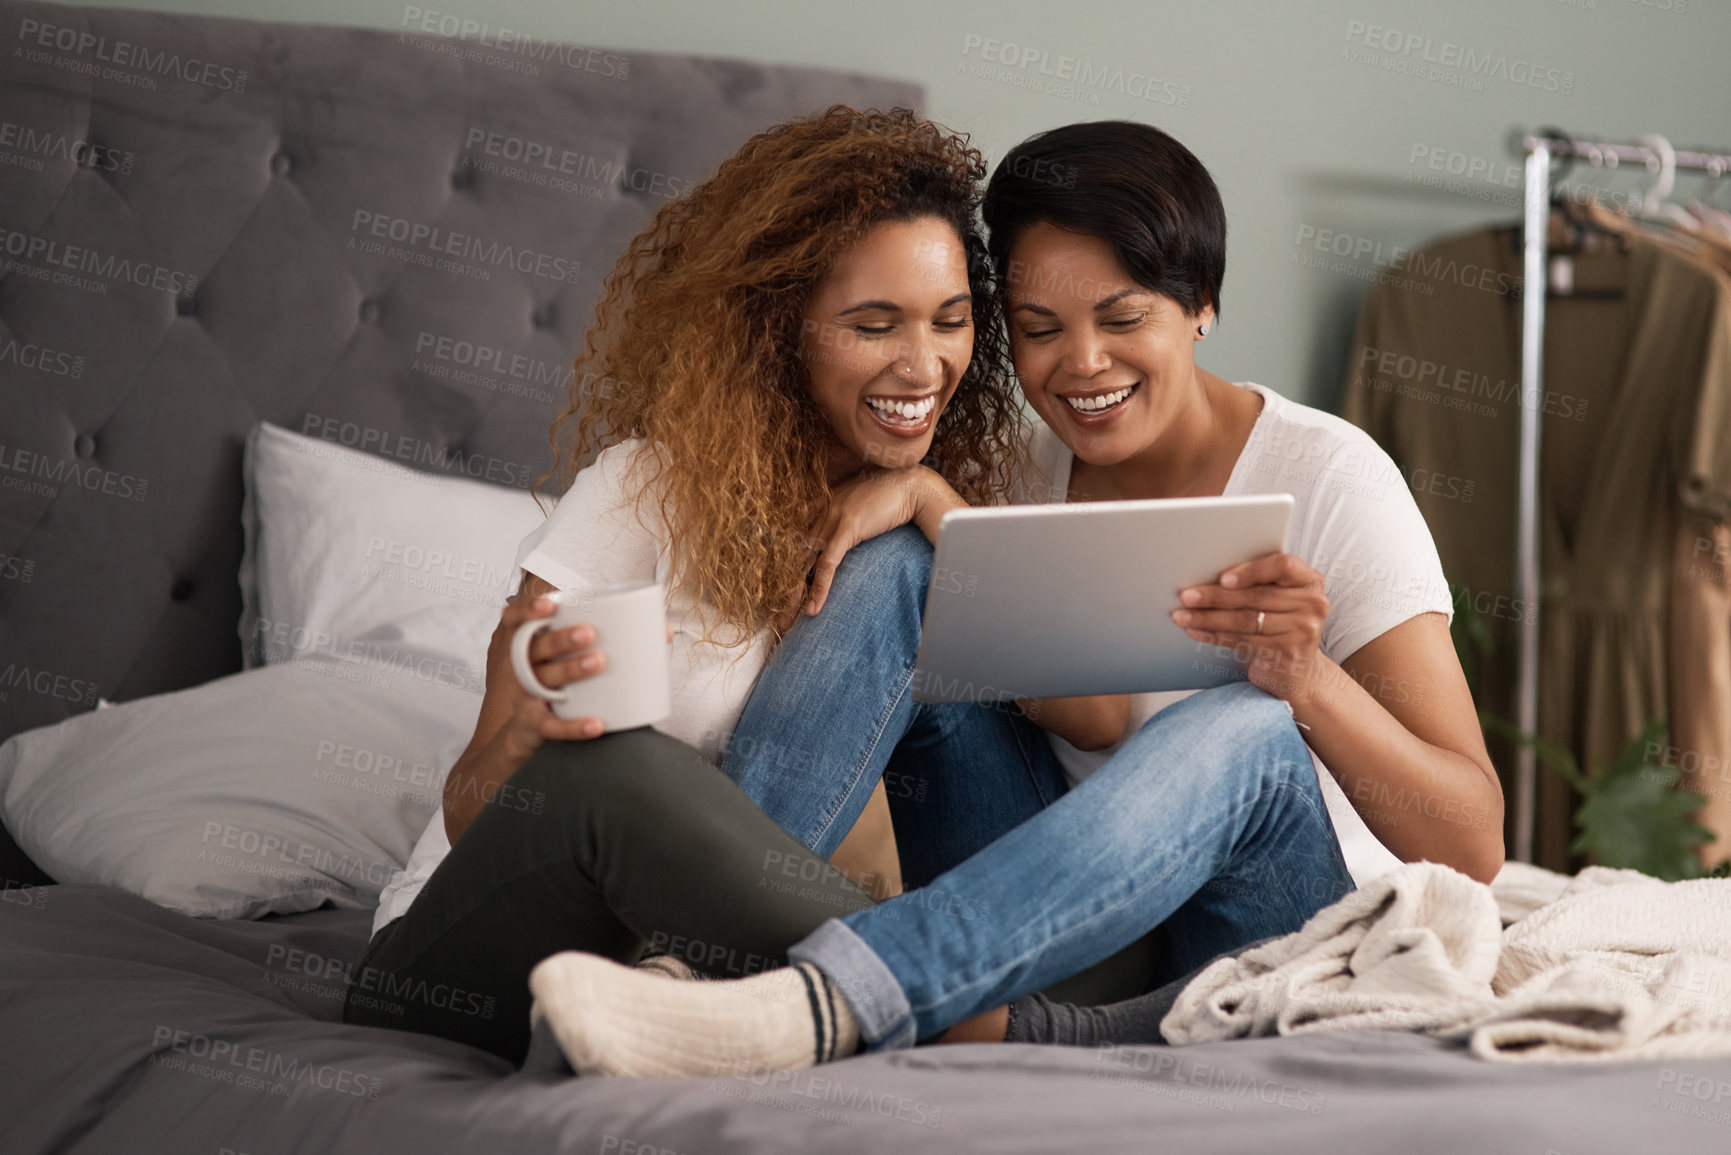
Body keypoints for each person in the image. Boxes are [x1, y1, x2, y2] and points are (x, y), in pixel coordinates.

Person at [528, 120, 1503, 1076]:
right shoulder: (1009, 460)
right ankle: (691, 969)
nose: (1082, 366)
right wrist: (937, 504)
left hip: (1259, 929)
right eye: (1040, 330)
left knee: (1244, 724)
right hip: (1052, 922)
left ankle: (826, 1004)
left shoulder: (1330, 475)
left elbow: (1474, 846)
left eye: (1122, 319)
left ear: (1200, 301)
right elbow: (1091, 714)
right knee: (899, 566)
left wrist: (1308, 682)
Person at [341, 105, 1033, 1062]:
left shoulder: (907, 545)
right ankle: (978, 1006)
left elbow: (1067, 724)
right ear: (778, 331)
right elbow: (469, 807)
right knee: (618, 768)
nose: (924, 366)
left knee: (913, 566)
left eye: (951, 321)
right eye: (873, 325)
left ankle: (736, 996)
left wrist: (927, 495)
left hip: (687, 977)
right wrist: (533, 735)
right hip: (461, 962)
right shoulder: (641, 490)